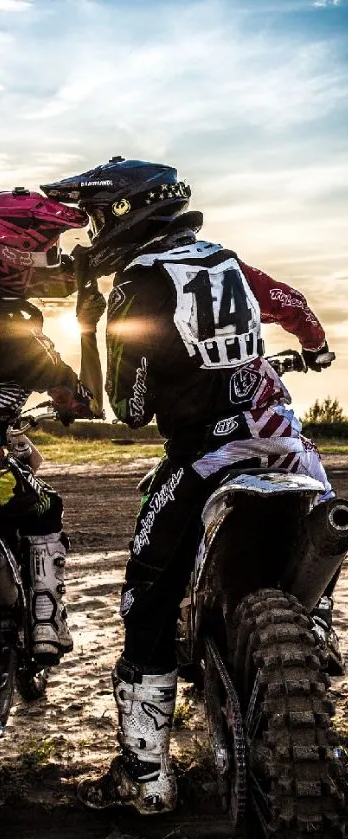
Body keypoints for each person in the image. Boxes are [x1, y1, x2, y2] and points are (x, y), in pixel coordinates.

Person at [42, 159, 339, 813]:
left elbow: (128, 407)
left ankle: (145, 776)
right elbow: (287, 303)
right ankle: (315, 636)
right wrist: (314, 348)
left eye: (95, 216)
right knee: (317, 541)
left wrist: (91, 326)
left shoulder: (138, 284)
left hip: (204, 457)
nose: (91, 233)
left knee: (146, 600)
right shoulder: (225, 261)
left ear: (124, 213)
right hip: (287, 447)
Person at [0, 187, 104, 665]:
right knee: (46, 508)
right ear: (13, 258)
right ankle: (45, 626)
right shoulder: (17, 337)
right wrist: (89, 330)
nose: (53, 263)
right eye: (46, 252)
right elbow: (85, 404)